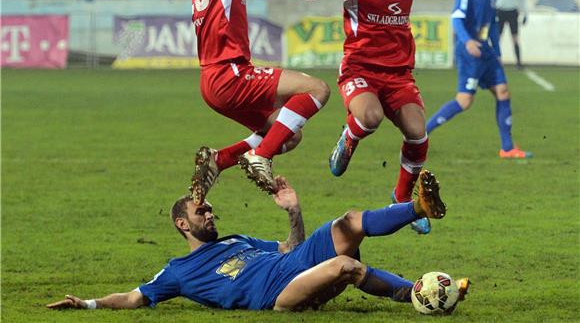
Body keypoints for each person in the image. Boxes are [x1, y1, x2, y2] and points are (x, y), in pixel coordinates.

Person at [47, 171, 469, 312]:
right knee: (347, 266)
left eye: (210, 210)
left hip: (294, 264)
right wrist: (88, 304)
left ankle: (419, 208)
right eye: (201, 213)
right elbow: (135, 297)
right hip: (279, 295)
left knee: (349, 221)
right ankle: (414, 295)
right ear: (181, 224)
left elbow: (289, 248)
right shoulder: (178, 272)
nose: (210, 214)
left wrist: (293, 211)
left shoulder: (236, 240)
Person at [178, 0, 330, 204]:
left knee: (290, 133)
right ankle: (260, 156)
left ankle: (220, 160)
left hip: (212, 82)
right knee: (317, 89)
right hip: (229, 73)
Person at [300, 0, 433, 234]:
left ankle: (400, 200)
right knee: (370, 117)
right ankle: (350, 136)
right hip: (360, 68)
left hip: (399, 74)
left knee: (418, 134)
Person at [426, 0, 532, 159]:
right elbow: (456, 20)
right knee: (465, 101)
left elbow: (491, 24)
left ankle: (508, 148)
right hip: (469, 53)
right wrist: (468, 41)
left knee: (503, 91)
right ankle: (421, 134)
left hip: (486, 51)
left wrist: (498, 52)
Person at [492, 0, 527, 69]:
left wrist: (525, 13)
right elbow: (492, 0)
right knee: (497, 37)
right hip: (500, 11)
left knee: (515, 37)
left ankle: (519, 62)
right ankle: (495, 61)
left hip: (512, 11)